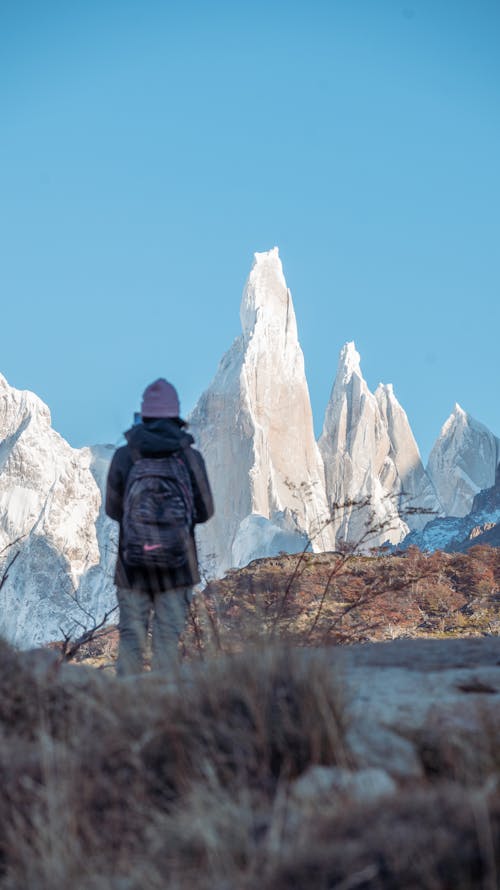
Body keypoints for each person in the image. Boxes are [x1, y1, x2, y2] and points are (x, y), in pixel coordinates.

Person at [105, 378, 214, 676]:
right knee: (167, 640)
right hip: (178, 568)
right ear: (176, 417)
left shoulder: (124, 456)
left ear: (144, 415)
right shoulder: (190, 458)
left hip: (132, 567)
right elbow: (205, 512)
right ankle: (164, 710)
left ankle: (125, 713)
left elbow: (113, 510)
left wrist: (143, 530)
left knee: (131, 639)